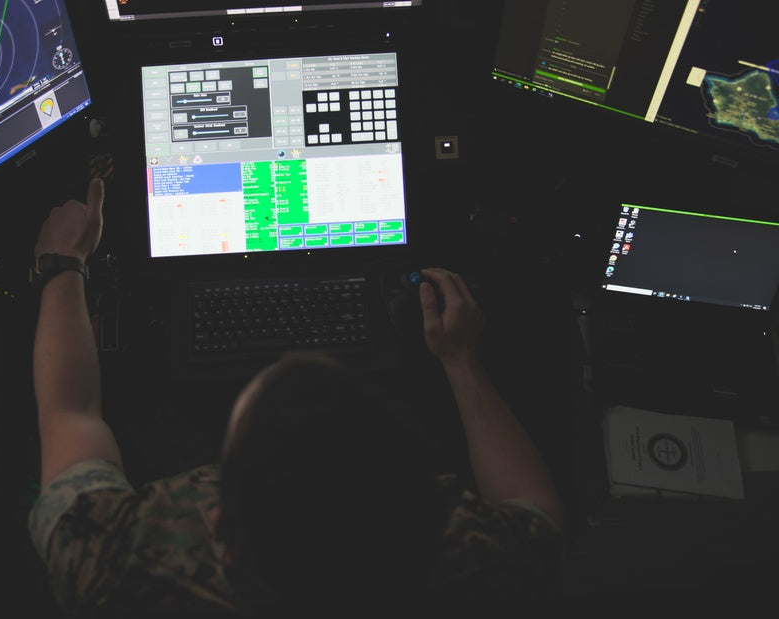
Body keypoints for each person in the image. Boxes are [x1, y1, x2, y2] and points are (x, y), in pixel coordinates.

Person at [28, 177, 568, 618]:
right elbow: (537, 509)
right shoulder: (483, 564)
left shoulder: (109, 569)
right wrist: (462, 360)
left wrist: (64, 262)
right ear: (425, 506)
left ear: (219, 525)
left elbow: (68, 413)